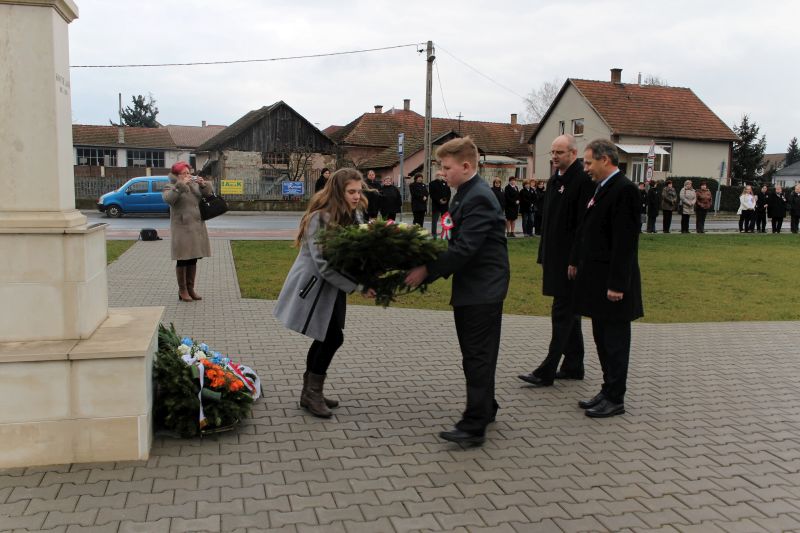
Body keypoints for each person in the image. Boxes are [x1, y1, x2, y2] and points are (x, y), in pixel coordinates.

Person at [405, 137, 509, 446]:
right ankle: (486, 407)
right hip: (473, 287)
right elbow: (453, 241)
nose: (442, 173)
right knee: (477, 354)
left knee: (477, 356)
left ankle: (473, 425)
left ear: (466, 166)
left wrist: (426, 270)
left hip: (483, 289)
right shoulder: (464, 194)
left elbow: (464, 249)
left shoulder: (478, 197)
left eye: (446, 167)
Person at [273, 168, 375, 418]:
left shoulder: (352, 215)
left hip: (333, 288)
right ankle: (312, 393)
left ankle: (310, 391)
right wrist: (358, 286)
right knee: (332, 338)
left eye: (359, 191)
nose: (356, 196)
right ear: (338, 191)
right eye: (351, 191)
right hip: (315, 287)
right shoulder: (319, 218)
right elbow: (324, 264)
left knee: (325, 338)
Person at [569, 139, 643, 418]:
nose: (586, 168)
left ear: (605, 160)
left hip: (614, 284)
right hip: (597, 281)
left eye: (589, 162)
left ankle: (615, 397)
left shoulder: (625, 190)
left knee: (615, 343)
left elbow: (625, 242)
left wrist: (617, 284)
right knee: (602, 339)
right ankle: (607, 389)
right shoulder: (602, 188)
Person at [518, 134, 593, 388]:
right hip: (554, 258)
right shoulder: (554, 180)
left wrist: (576, 259)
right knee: (569, 314)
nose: (554, 157)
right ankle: (574, 365)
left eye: (559, 152)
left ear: (573, 153)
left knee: (562, 313)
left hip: (570, 263)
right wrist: (543, 254)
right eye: (552, 152)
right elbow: (549, 222)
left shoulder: (582, 181)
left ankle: (546, 370)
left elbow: (583, 226)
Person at [162, 161, 212, 302]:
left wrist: (203, 184)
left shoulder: (193, 185)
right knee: (183, 259)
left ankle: (191, 289)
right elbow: (169, 199)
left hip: (196, 227)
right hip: (182, 229)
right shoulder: (170, 186)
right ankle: (182, 290)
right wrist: (180, 185)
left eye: (189, 173)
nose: (188, 175)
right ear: (177, 175)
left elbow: (207, 195)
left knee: (193, 258)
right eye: (184, 173)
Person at [429, 170, 451, 237]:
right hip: (436, 204)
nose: (440, 176)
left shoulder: (445, 183)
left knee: (445, 219)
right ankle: (434, 233)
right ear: (436, 176)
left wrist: (446, 200)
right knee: (434, 220)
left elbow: (449, 193)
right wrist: (439, 200)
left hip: (445, 205)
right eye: (438, 175)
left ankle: (445, 233)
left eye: (441, 175)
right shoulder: (432, 183)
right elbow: (432, 194)